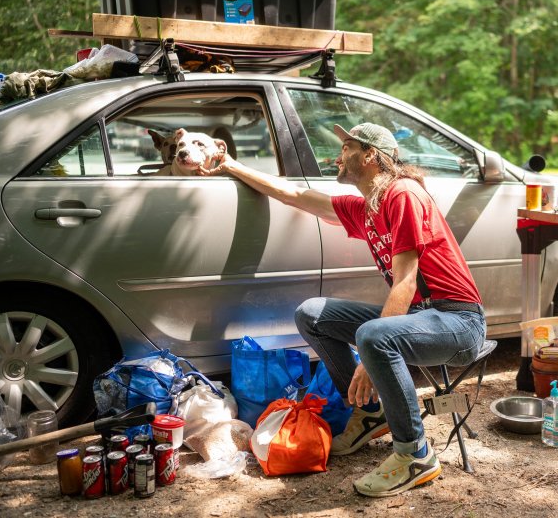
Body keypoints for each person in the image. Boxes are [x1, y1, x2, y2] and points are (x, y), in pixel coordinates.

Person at [204, 123, 486, 497]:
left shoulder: (403, 195)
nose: (337, 156)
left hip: (457, 320)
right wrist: (229, 164)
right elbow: (293, 194)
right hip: (419, 318)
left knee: (373, 335)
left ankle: (415, 454)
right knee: (312, 314)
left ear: (370, 156)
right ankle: (371, 414)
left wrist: (369, 361)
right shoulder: (366, 207)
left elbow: (405, 281)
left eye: (347, 147)